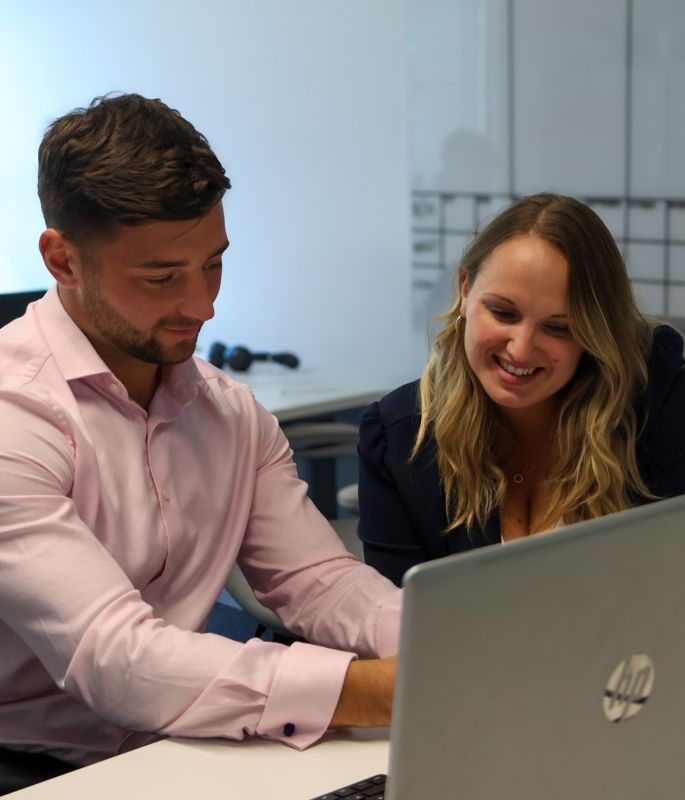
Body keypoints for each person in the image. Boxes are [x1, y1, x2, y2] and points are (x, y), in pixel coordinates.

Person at [0, 93, 400, 779]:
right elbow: (114, 657)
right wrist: (371, 691)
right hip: (28, 764)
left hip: (172, 742)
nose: (203, 305)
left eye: (213, 262)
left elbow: (315, 579)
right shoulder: (15, 419)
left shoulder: (230, 412)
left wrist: (440, 645)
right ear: (62, 260)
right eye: (162, 277)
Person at [357, 193, 685, 587]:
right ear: (464, 290)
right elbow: (396, 623)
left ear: (595, 333)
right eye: (503, 313)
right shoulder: (400, 436)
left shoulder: (648, 392)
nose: (521, 348)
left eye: (559, 328)